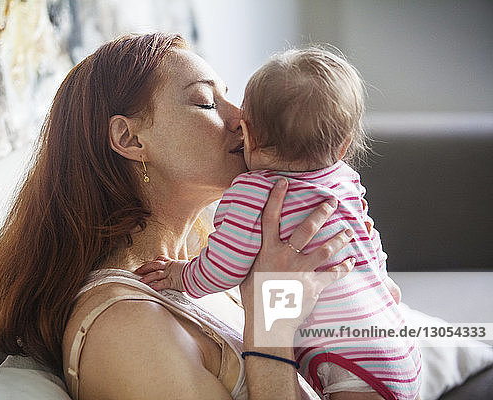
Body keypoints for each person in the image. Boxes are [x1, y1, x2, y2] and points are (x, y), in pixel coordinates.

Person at [0, 33, 357, 400]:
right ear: (130, 140)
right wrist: (273, 319)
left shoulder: (206, 271)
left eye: (231, 98)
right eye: (206, 102)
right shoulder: (123, 331)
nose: (242, 118)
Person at [137, 48, 421, 399]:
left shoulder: (253, 192)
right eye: (207, 102)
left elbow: (223, 267)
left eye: (236, 104)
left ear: (250, 135)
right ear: (344, 145)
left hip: (345, 360)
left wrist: (181, 275)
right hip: (394, 340)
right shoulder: (343, 179)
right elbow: (367, 239)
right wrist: (382, 282)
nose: (234, 115)